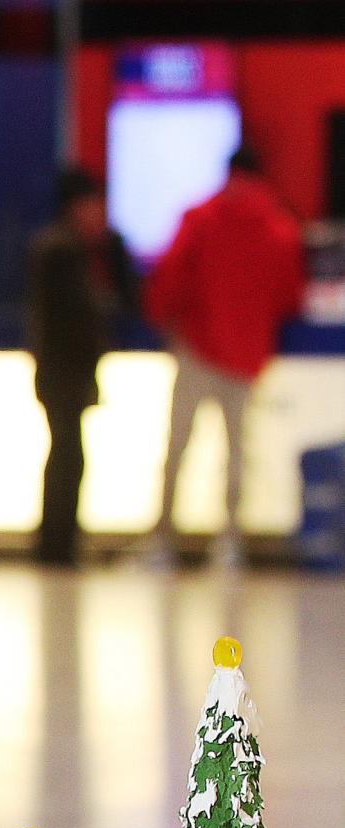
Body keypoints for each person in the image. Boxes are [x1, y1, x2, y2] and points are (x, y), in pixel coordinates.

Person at [141, 147, 303, 571]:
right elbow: (290, 295)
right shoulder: (280, 228)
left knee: (178, 446)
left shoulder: (200, 219)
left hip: (197, 348)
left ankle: (162, 541)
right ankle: (229, 543)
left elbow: (169, 279)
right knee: (236, 453)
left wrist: (162, 320)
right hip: (247, 356)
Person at [23, 168, 135, 568]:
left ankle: (60, 542)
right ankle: (57, 545)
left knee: (68, 453)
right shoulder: (61, 251)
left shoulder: (75, 248)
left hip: (64, 367)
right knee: (67, 455)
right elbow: (81, 311)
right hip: (62, 367)